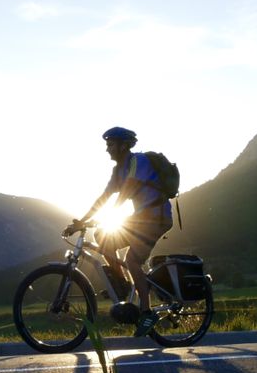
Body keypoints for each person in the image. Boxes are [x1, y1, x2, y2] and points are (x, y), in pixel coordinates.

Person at [64, 126, 175, 337]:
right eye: (107, 145)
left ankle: (147, 312)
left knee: (131, 260)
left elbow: (126, 192)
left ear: (124, 145)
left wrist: (105, 217)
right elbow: (104, 197)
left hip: (157, 217)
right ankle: (123, 285)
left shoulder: (137, 162)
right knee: (102, 237)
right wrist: (82, 221)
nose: (107, 149)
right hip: (142, 219)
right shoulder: (118, 170)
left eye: (111, 144)